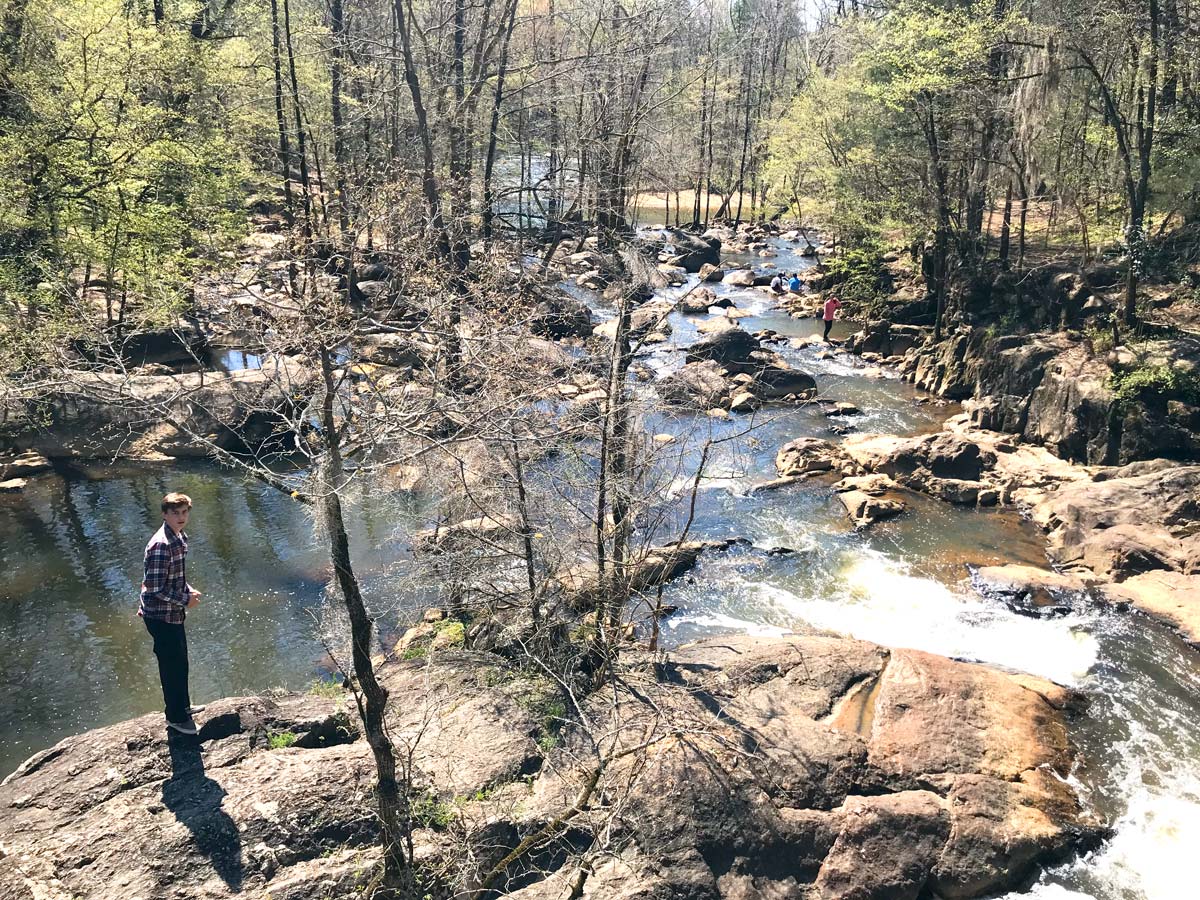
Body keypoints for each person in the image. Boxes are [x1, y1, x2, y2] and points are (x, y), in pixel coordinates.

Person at [140, 492, 204, 735]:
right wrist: (185, 599)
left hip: (173, 612)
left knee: (181, 662)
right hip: (159, 616)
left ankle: (183, 706)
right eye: (175, 513)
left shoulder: (179, 536)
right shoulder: (161, 545)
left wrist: (187, 589)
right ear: (164, 514)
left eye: (184, 512)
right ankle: (175, 717)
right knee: (171, 666)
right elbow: (155, 588)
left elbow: (174, 577)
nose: (181, 517)